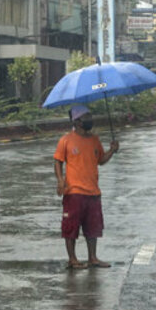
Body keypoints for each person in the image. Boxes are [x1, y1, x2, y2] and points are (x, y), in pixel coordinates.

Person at [54, 105, 119, 269]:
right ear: (76, 121)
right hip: (74, 192)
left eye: (90, 116)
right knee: (71, 227)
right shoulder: (66, 140)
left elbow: (101, 160)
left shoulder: (94, 140)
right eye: (86, 117)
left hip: (93, 191)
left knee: (93, 227)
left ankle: (93, 258)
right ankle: (73, 259)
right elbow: (58, 161)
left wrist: (112, 151)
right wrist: (60, 180)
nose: (90, 120)